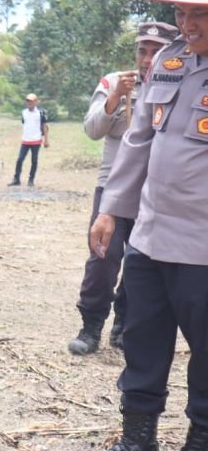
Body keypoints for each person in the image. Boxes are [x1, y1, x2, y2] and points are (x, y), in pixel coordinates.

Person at [79, 0, 208, 451]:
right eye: (182, 13)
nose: (187, 24)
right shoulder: (171, 61)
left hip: (202, 246)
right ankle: (137, 445)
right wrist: (111, 208)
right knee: (142, 341)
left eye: (200, 14)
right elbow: (138, 139)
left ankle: (199, 450)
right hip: (150, 237)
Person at [68, 22, 178, 356]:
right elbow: (92, 129)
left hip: (155, 193)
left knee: (140, 263)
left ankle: (123, 324)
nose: (147, 59)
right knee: (103, 260)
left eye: (156, 51)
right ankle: (91, 326)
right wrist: (116, 96)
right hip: (112, 190)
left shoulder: (180, 84)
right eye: (142, 51)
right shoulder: (114, 82)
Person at [8, 94, 49, 187]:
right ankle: (16, 179)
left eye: (31, 101)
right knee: (20, 159)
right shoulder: (24, 112)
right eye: (28, 101)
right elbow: (24, 124)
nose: (29, 103)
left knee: (34, 161)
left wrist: (46, 140)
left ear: (36, 102)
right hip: (25, 140)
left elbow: (44, 127)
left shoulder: (40, 113)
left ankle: (31, 180)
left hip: (36, 140)